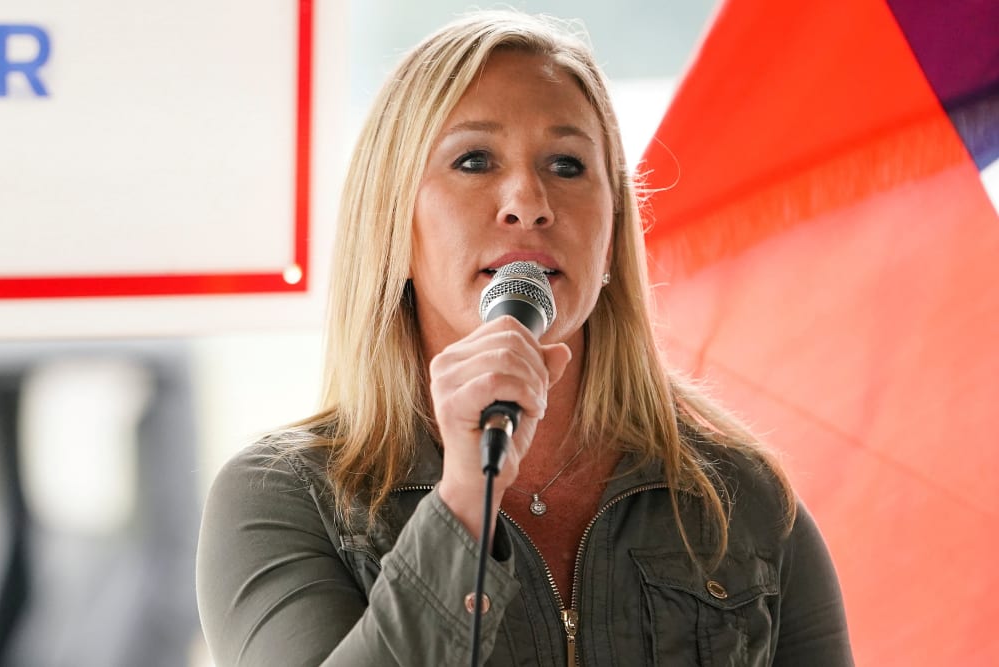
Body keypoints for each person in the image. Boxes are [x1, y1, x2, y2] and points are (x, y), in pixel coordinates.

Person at [195, 10, 854, 666]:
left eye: (567, 165)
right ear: (392, 225)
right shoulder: (282, 499)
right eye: (474, 161)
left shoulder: (742, 501)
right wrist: (462, 503)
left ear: (611, 239)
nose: (529, 202)